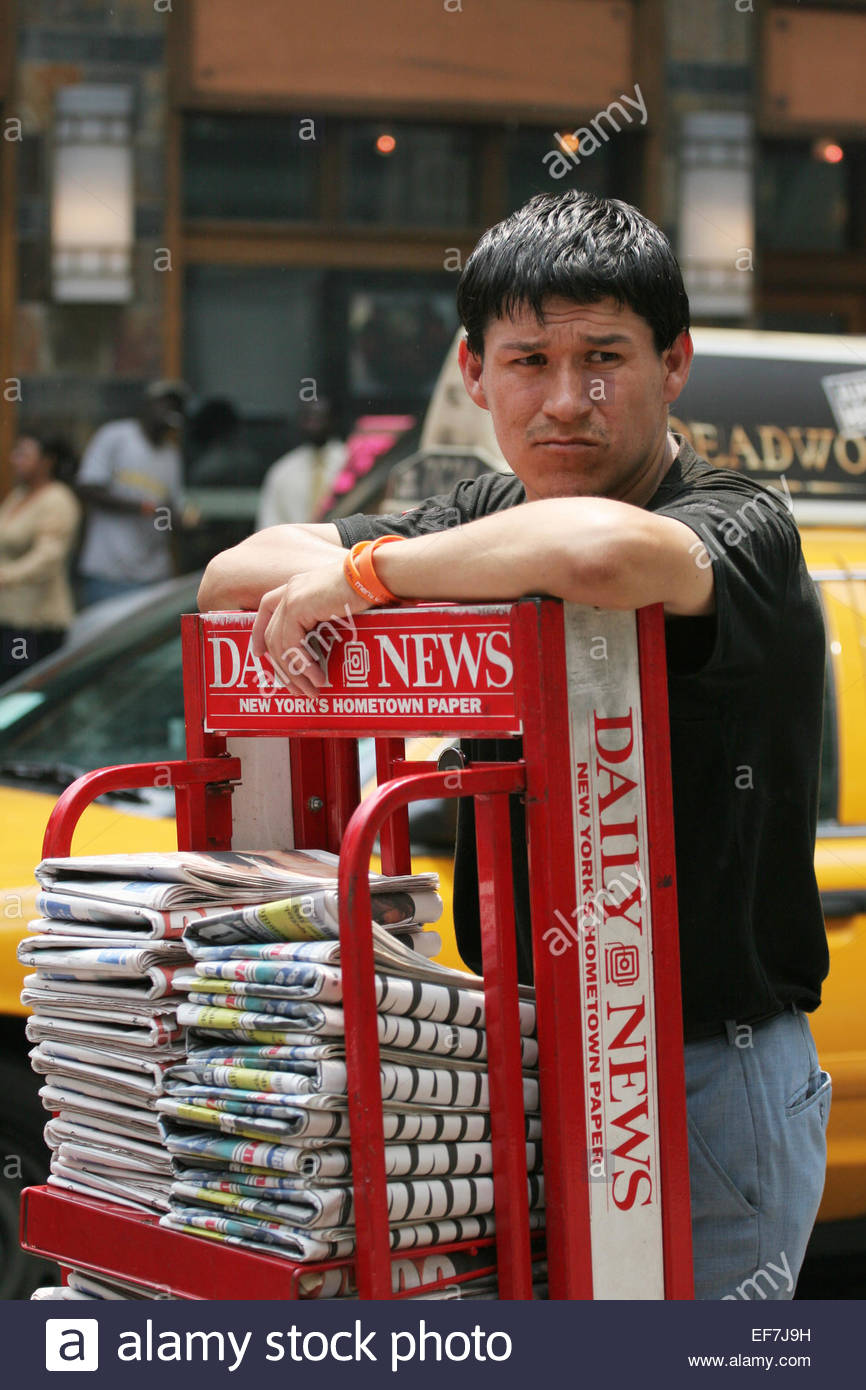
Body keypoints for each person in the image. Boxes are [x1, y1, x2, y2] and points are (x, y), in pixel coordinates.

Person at [198, 192, 831, 1301]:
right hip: (522, 1056)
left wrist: (365, 576)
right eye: (527, 359)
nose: (565, 400)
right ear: (473, 371)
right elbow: (235, 572)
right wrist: (393, 560)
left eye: (605, 357)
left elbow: (594, 555)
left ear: (674, 363)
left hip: (697, 1072)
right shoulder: (485, 510)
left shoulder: (739, 518)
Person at [75, 381, 188, 606]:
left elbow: (171, 507)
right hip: (108, 573)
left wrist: (181, 521)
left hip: (154, 576)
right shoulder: (115, 436)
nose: (168, 411)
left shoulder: (171, 455)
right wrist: (139, 507)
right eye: (163, 404)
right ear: (147, 405)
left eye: (175, 407)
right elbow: (87, 487)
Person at [0, 431, 81, 682]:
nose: (15, 459)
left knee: (23, 691)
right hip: (9, 616)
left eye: (24, 454)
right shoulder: (18, 496)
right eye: (16, 453)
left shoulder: (58, 499)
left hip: (37, 623)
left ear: (47, 461)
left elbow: (48, 557)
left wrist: (5, 576)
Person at [255, 399, 346, 530]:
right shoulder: (283, 471)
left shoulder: (354, 464)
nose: (314, 424)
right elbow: (268, 523)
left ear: (334, 420)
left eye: (320, 418)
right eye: (308, 418)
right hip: (293, 547)